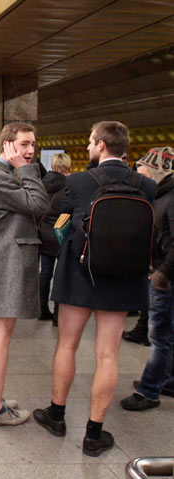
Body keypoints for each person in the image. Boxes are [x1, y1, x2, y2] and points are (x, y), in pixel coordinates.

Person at [34, 121, 156, 456]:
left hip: (79, 271)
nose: (88, 147)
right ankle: (94, 433)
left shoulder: (77, 182)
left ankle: (56, 416)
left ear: (101, 145)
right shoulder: (146, 185)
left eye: (90, 141)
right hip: (123, 276)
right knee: (108, 355)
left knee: (67, 346)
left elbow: (57, 221)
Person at [0, 122, 49, 427]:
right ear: (7, 145)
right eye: (23, 145)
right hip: (6, 261)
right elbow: (39, 204)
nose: (30, 151)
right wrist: (28, 171)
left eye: (33, 144)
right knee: (0, 335)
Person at [121, 146, 174, 412]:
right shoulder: (161, 195)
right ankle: (169, 380)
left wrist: (162, 272)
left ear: (154, 172)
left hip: (165, 277)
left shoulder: (170, 198)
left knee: (160, 336)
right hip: (161, 272)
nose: (139, 176)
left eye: (142, 171)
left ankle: (149, 390)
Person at [37, 153, 71, 323]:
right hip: (61, 233)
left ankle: (42, 309)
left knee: (45, 272)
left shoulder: (42, 184)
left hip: (44, 232)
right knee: (60, 274)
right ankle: (58, 315)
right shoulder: (69, 186)